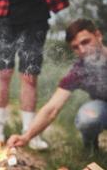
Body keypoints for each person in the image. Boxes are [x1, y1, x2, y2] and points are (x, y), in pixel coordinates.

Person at [0, 0, 69, 149]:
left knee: (30, 76)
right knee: (4, 72)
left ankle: (29, 131)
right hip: (5, 15)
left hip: (36, 16)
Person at [7, 19, 107, 153]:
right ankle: (91, 151)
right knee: (87, 118)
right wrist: (26, 137)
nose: (82, 50)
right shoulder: (79, 70)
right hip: (102, 106)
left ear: (98, 35)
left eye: (85, 42)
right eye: (75, 47)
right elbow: (52, 109)